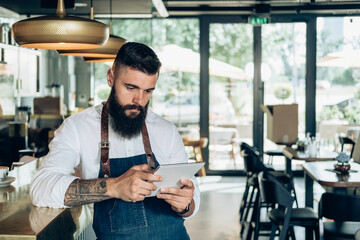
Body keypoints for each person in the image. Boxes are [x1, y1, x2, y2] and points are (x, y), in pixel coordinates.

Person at [30, 42, 200, 240]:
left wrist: (186, 204)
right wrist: (113, 186)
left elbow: (193, 197)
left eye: (148, 91)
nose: (139, 100)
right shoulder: (77, 127)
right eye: (131, 87)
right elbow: (41, 188)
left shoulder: (166, 130)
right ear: (111, 78)